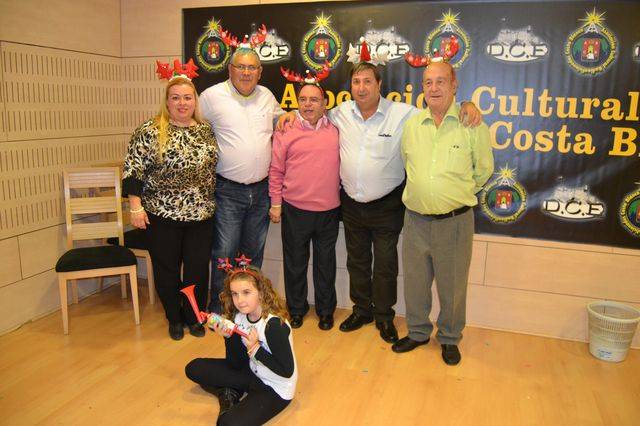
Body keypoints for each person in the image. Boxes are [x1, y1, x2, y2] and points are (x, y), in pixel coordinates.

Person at [278, 62, 481, 344]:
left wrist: (467, 105)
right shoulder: (339, 113)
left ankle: (384, 316)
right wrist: (288, 114)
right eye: (356, 82)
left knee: (385, 264)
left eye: (367, 82)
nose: (361, 88)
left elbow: (438, 109)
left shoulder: (403, 114)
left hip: (387, 205)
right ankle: (362, 310)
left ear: (379, 84)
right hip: (351, 204)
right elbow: (310, 112)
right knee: (357, 262)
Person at [391, 61, 494, 365]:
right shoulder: (412, 125)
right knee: (415, 283)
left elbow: (483, 170)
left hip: (454, 222)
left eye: (440, 81)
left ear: (454, 85)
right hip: (415, 220)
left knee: (453, 285)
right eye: (428, 82)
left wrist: (454, 194)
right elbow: (407, 164)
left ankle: (449, 337)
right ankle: (418, 332)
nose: (434, 88)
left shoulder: (471, 124)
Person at [123, 74, 217, 340]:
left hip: (201, 215)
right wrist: (135, 207)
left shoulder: (206, 129)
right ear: (167, 101)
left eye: (187, 97)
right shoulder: (149, 130)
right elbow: (133, 170)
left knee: (198, 270)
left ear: (195, 101)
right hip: (162, 215)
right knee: (167, 270)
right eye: (175, 98)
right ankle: (174, 318)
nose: (182, 103)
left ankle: (194, 316)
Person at [200, 48, 285, 313]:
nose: (246, 73)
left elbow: (281, 118)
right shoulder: (211, 96)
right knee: (224, 254)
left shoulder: (267, 96)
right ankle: (220, 310)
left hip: (261, 192)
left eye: (252, 68)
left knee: (252, 256)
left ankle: (249, 310)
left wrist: (289, 115)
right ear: (230, 69)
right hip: (228, 190)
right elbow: (191, 124)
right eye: (241, 67)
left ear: (260, 72)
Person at [185, 264, 297, 425]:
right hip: (251, 371)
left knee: (226, 423)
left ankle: (229, 392)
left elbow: (286, 372)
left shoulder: (273, 326)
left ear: (261, 292)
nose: (240, 300)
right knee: (194, 368)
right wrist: (229, 337)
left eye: (246, 292)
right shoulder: (240, 316)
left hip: (274, 388)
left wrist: (256, 349)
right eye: (234, 294)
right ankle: (228, 393)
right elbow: (235, 364)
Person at [269, 83, 340, 330]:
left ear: (324, 104)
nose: (308, 104)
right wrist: (275, 203)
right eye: (303, 99)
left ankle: (326, 311)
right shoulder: (286, 129)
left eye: (314, 99)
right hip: (295, 209)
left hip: (329, 210)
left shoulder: (336, 129)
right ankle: (297, 309)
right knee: (295, 264)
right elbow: (276, 170)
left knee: (325, 265)